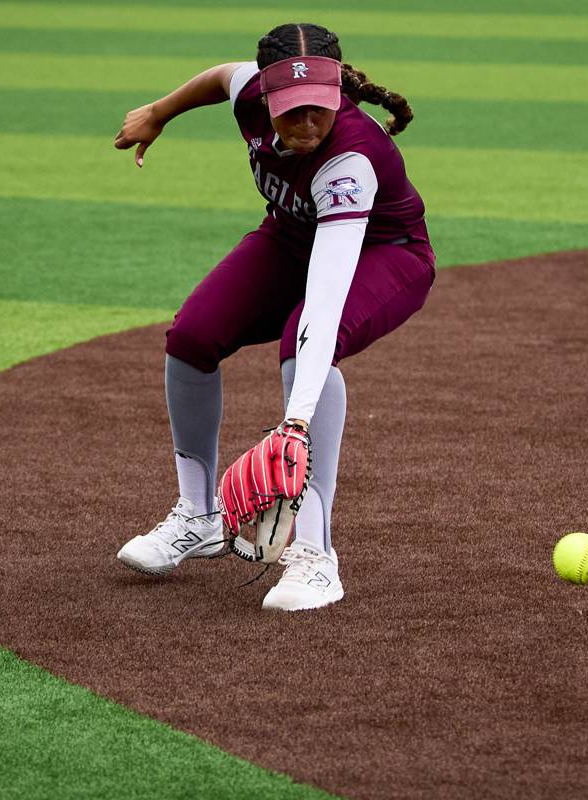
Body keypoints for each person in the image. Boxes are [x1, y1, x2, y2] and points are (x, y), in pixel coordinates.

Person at [113, 22, 435, 612]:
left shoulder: (351, 161)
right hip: (292, 237)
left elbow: (326, 298)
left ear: (338, 92)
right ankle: (199, 516)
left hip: (383, 254)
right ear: (265, 96)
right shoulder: (248, 94)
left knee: (301, 347)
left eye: (319, 108)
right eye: (292, 111)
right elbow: (218, 78)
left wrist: (294, 426)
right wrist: (160, 111)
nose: (308, 124)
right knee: (191, 337)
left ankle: (315, 555)